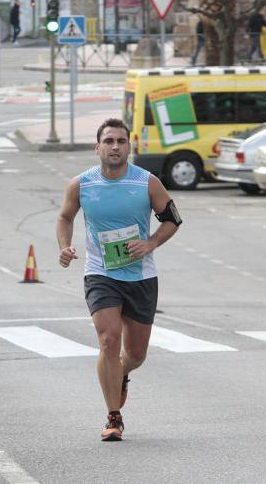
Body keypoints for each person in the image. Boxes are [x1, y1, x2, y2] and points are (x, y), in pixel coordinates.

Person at [56, 118, 182, 442]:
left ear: (129, 146)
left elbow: (172, 219)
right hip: (101, 273)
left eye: (121, 141)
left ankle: (122, 372)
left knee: (135, 354)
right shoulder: (81, 184)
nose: (115, 147)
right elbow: (65, 216)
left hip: (141, 275)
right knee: (109, 340)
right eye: (109, 141)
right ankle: (114, 416)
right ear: (97, 147)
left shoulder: (147, 182)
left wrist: (150, 243)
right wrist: (65, 246)